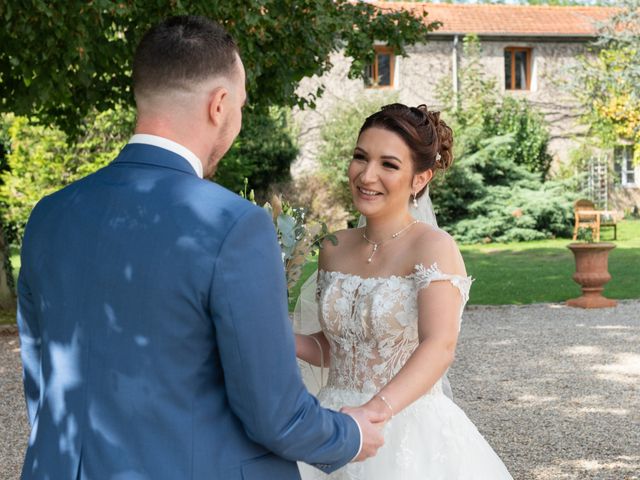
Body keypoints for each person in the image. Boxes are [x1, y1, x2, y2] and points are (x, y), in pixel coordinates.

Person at [16, 16, 385, 480]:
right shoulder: (233, 224)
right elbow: (275, 414)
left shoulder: (49, 215)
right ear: (219, 104)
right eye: (242, 106)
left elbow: (43, 384)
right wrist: (348, 434)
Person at [295, 104, 513, 479]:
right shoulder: (334, 247)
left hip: (404, 424)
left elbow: (439, 346)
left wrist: (374, 412)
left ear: (419, 179)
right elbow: (335, 346)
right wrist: (274, 334)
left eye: (389, 165)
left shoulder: (434, 248)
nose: (367, 175)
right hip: (334, 421)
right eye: (360, 157)